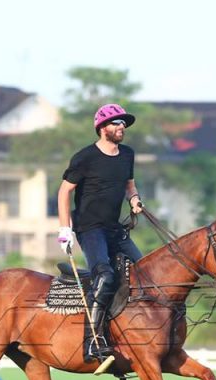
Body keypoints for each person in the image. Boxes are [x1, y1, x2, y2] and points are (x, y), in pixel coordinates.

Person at [57, 103, 144, 362]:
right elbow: (64, 192)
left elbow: (130, 184)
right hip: (89, 228)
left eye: (124, 124)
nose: (122, 127)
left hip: (114, 229)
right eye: (116, 123)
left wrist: (134, 199)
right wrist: (65, 229)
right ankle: (92, 342)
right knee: (105, 275)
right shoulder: (85, 157)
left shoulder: (127, 154)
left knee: (144, 272)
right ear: (102, 128)